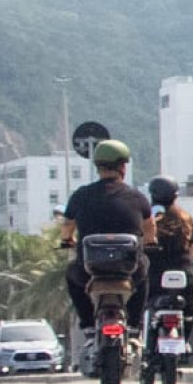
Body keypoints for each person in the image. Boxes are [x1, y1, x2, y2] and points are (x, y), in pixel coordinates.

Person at [61, 139, 153, 353]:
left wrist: (68, 241)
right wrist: (150, 243)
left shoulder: (81, 196)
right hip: (128, 272)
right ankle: (133, 327)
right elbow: (150, 230)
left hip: (89, 271)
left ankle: (88, 327)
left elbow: (67, 227)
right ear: (123, 166)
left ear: (98, 166)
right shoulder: (137, 197)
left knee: (71, 276)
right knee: (145, 274)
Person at [145, 175, 193, 343]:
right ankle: (185, 343)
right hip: (183, 276)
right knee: (188, 309)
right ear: (175, 195)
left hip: (153, 276)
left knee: (141, 304)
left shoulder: (147, 219)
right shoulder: (186, 218)